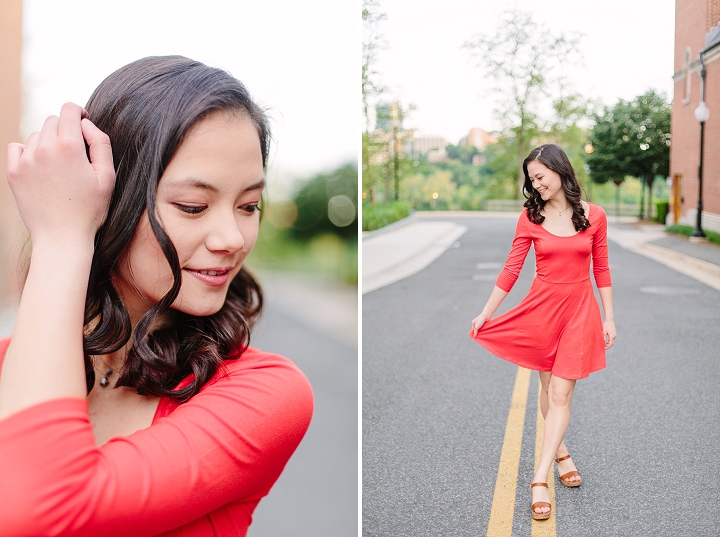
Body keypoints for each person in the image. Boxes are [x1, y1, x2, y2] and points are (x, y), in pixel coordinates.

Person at [0, 56, 313, 536]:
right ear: (107, 198)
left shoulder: (265, 394)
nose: (232, 237)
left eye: (249, 205)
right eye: (193, 206)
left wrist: (61, 238)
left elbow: (39, 512)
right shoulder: (10, 368)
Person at [469, 144, 616, 521]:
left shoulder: (594, 216)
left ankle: (540, 478)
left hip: (580, 311)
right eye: (531, 180)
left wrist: (609, 317)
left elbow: (601, 268)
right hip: (542, 311)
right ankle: (562, 452)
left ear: (559, 170)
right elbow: (511, 270)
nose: (535, 185)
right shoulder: (530, 218)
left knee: (563, 390)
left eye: (540, 177)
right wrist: (486, 313)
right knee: (548, 387)